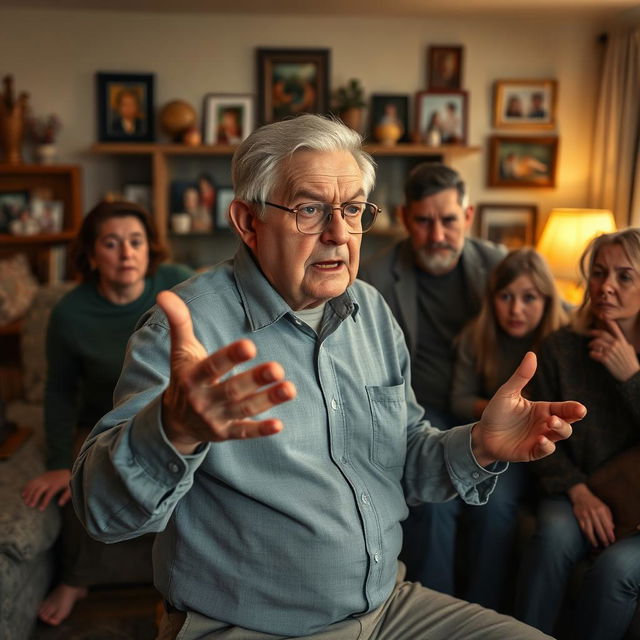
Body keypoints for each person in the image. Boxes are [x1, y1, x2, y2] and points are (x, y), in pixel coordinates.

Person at [71, 115, 583, 640]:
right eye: (310, 209)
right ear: (248, 222)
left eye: (354, 209)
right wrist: (172, 430)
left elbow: (404, 460)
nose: (339, 233)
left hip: (389, 610)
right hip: (250, 627)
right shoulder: (185, 329)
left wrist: (480, 444)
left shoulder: (372, 310)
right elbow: (103, 515)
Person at [21, 200, 193, 626]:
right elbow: (60, 392)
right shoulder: (70, 313)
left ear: (149, 249)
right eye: (111, 244)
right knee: (87, 473)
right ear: (92, 254)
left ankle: (190, 575)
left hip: (170, 413)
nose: (125, 253)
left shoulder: (178, 286)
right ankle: (77, 579)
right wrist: (60, 462)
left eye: (135, 242)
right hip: (103, 418)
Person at [358, 162, 507, 598]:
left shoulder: (498, 268)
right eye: (424, 221)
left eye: (448, 220)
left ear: (468, 215)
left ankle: (484, 615)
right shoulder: (374, 276)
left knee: (495, 506)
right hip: (416, 410)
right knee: (435, 507)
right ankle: (436, 614)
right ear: (405, 218)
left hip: (482, 405)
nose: (437, 234)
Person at [515, 228, 640, 640]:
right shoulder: (560, 347)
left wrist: (632, 377)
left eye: (625, 276)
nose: (606, 287)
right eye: (599, 273)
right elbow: (535, 431)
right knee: (551, 537)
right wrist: (578, 491)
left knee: (614, 571)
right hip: (572, 490)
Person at [450, 248, 568, 610]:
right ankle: (478, 607)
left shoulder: (561, 340)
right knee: (492, 503)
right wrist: (499, 414)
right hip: (503, 449)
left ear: (547, 300)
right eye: (506, 297)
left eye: (529, 298)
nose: (516, 309)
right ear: (492, 299)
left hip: (552, 456)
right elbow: (459, 398)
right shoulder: (478, 336)